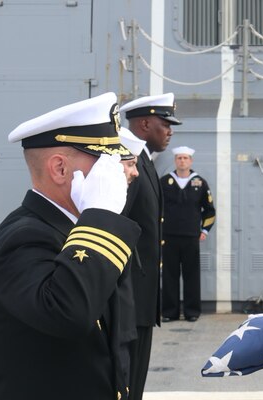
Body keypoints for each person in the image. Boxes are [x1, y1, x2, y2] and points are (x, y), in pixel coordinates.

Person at [0, 93, 142, 400]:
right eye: (109, 162)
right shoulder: (22, 239)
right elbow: (70, 313)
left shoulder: (71, 231)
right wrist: (101, 214)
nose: (124, 173)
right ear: (60, 169)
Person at [119, 93, 182, 400]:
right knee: (125, 382)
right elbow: (115, 226)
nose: (170, 131)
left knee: (134, 383)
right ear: (144, 124)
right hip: (127, 297)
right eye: (164, 124)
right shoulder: (127, 162)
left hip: (140, 298)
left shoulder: (143, 160)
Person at [160, 146, 216, 322]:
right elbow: (156, 208)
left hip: (191, 237)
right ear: (175, 161)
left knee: (192, 275)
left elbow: (209, 210)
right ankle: (170, 312)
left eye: (185, 158)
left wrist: (204, 230)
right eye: (179, 158)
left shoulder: (199, 182)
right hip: (168, 236)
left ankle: (192, 312)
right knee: (169, 275)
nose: (182, 161)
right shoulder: (165, 181)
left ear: (191, 161)